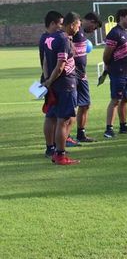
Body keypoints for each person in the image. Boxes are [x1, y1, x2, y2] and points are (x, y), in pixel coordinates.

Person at [42, 12, 81, 165]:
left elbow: (45, 60)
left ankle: (53, 150)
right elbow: (60, 66)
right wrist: (51, 79)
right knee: (63, 121)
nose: (78, 30)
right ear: (72, 25)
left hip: (55, 84)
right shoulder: (64, 39)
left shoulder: (50, 37)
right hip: (65, 85)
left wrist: (47, 80)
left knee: (54, 118)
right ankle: (60, 155)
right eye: (77, 26)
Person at [103, 8, 127, 139]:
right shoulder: (115, 33)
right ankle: (109, 129)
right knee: (115, 100)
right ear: (121, 18)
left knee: (125, 99)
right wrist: (108, 66)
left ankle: (123, 126)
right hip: (118, 73)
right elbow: (107, 54)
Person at [71, 12, 103, 143]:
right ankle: (65, 137)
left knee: (85, 104)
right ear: (90, 21)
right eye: (94, 27)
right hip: (72, 74)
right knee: (69, 107)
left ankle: (81, 134)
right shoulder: (74, 31)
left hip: (82, 75)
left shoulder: (83, 34)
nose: (93, 31)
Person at [40, 11, 63, 158]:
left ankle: (52, 146)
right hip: (52, 80)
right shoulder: (47, 39)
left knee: (53, 115)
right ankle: (52, 147)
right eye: (60, 23)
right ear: (53, 23)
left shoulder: (47, 37)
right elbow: (45, 61)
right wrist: (48, 80)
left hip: (51, 80)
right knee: (52, 116)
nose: (61, 27)